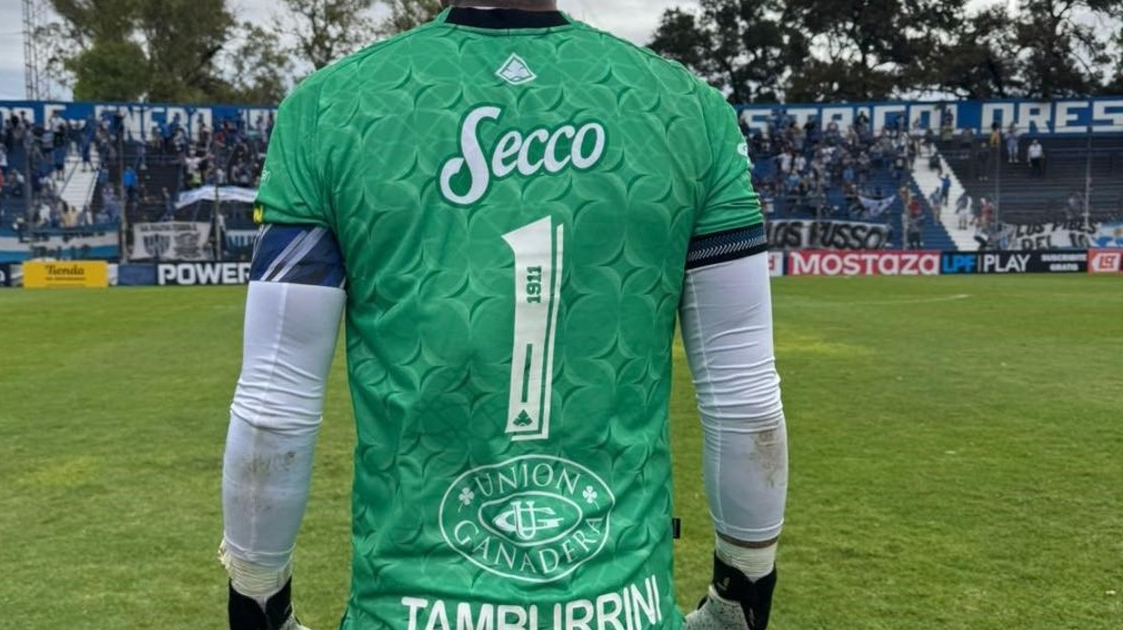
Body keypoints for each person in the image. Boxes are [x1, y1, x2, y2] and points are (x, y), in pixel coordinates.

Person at [219, 2, 789, 630]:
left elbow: (274, 402)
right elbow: (746, 400)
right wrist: (740, 595)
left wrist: (259, 602)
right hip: (624, 609)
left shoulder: (328, 107)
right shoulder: (690, 111)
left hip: (405, 611)